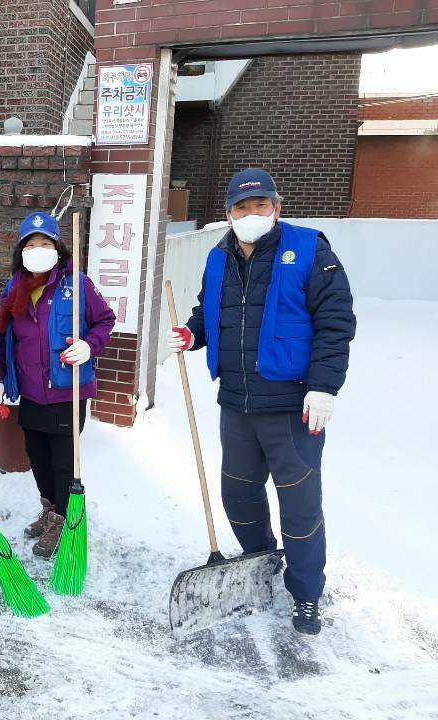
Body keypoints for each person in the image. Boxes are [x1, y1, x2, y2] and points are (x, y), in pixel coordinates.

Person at [167, 168, 356, 636]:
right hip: (236, 403)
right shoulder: (219, 257)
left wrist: (324, 386)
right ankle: (262, 563)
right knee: (239, 497)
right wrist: (194, 333)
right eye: (241, 208)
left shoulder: (311, 251)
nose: (251, 215)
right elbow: (211, 309)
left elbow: (336, 323)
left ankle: (306, 592)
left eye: (260, 206)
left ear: (277, 206)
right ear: (228, 213)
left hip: (293, 407)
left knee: (300, 507)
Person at [0, 211, 116, 558]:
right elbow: (5, 338)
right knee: (38, 457)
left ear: (57, 248)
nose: (38, 249)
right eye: (31, 244)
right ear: (22, 250)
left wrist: (90, 345)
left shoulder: (77, 285)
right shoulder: (15, 288)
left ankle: (64, 518)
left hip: (66, 389)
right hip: (30, 389)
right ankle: (49, 509)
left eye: (45, 243)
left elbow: (105, 320)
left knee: (63, 460)